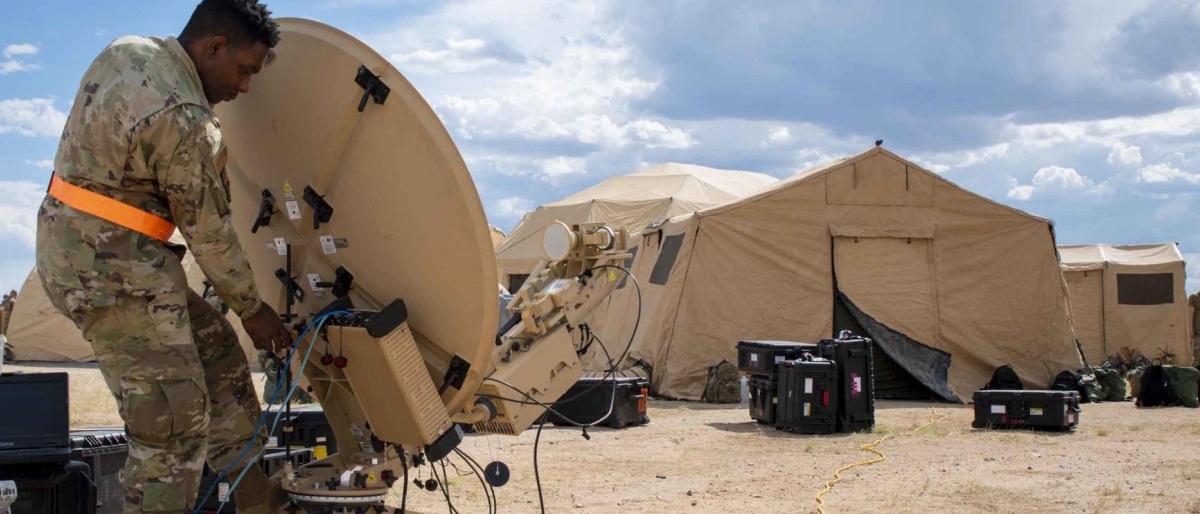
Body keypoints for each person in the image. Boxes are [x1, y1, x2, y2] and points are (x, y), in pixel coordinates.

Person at [35, 1, 291, 512]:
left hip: (90, 258)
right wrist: (254, 311)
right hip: (113, 276)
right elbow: (210, 235)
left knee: (218, 356)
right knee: (172, 430)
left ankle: (261, 502)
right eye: (244, 71)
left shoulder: (128, 51)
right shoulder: (186, 119)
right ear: (214, 46)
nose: (243, 88)